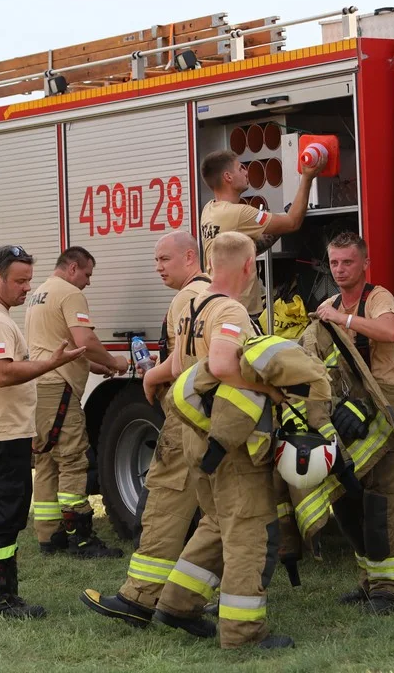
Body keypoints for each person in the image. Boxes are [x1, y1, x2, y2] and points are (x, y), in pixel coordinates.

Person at [153, 232, 294, 650]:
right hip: (231, 441)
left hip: (198, 438)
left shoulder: (192, 306)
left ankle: (177, 604)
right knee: (248, 530)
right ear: (249, 266)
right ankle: (243, 634)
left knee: (216, 523)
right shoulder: (230, 309)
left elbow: (179, 365)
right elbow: (220, 362)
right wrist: (270, 390)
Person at [80, 230, 210, 626]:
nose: (157, 267)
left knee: (165, 506)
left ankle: (140, 599)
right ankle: (182, 602)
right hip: (211, 421)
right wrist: (155, 376)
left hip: (186, 421)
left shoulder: (188, 301)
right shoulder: (208, 298)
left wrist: (154, 379)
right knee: (220, 517)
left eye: (164, 259)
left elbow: (188, 363)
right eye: (156, 260)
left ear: (190, 257)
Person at [0, 244, 85, 619]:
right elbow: (1, 372)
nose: (27, 288)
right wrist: (50, 364)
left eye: (28, 280)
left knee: (1, 514)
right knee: (3, 516)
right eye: (20, 281)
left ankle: (4, 591)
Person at [314, 231, 394, 614]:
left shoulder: (378, 297)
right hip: (348, 409)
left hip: (385, 406)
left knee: (385, 499)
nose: (339, 269)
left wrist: (344, 319)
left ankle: (390, 589)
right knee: (350, 498)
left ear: (364, 264)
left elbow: (390, 331)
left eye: (347, 262)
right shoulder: (328, 304)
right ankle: (368, 582)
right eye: (334, 262)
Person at [25, 246, 129, 558]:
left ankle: (50, 535)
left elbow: (61, 345)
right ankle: (81, 538)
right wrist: (116, 361)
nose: (88, 282)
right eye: (87, 274)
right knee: (72, 460)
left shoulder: (39, 293)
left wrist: (97, 366)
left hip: (39, 387)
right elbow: (85, 340)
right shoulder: (69, 293)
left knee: (46, 461)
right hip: (59, 388)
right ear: (73, 268)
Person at [198, 149, 324, 316]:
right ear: (228, 177)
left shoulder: (209, 209)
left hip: (222, 304)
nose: (246, 171)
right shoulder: (238, 213)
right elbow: (292, 222)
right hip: (240, 309)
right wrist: (307, 177)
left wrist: (275, 228)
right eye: (241, 168)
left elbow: (250, 249)